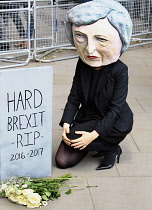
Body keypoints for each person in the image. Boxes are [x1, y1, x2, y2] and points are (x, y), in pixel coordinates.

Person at [55, 0, 133, 170]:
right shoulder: (82, 64)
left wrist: (92, 136)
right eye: (80, 36)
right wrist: (67, 122)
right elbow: (74, 96)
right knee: (62, 161)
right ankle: (100, 144)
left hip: (115, 121)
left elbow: (115, 108)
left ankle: (112, 147)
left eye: (101, 39)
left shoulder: (120, 70)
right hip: (90, 115)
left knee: (80, 142)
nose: (90, 50)